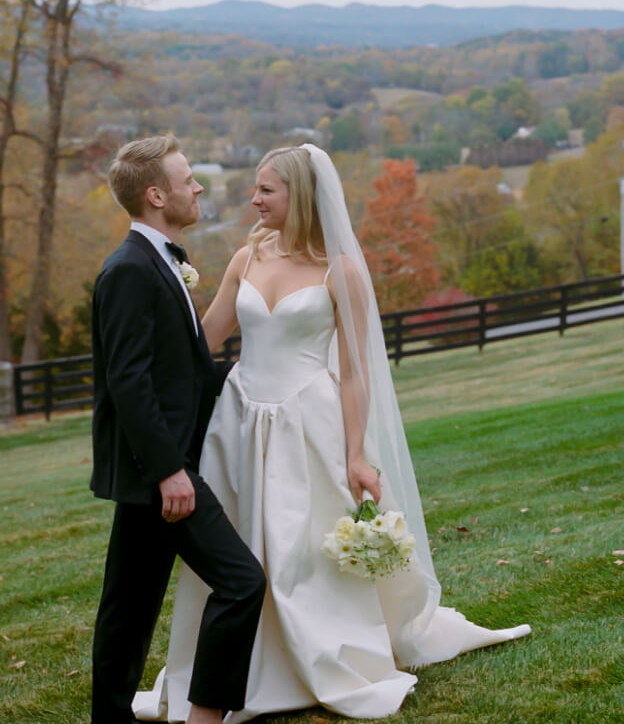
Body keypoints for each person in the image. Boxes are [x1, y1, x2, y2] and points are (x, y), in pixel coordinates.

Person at [133, 144, 529, 723]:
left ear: (300, 195)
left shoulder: (340, 270)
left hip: (307, 425)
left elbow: (354, 371)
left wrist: (356, 453)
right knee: (237, 548)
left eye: (267, 189)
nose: (254, 198)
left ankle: (313, 658)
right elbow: (206, 339)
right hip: (239, 423)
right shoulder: (247, 256)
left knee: (299, 550)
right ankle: (228, 666)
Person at [90, 134, 266, 724]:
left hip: (163, 470)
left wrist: (244, 379)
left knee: (129, 607)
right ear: (156, 194)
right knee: (241, 583)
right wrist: (170, 471)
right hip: (160, 474)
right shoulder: (129, 270)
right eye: (187, 179)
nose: (197, 188)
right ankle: (204, 719)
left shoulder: (162, 262)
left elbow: (180, 374)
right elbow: (129, 383)